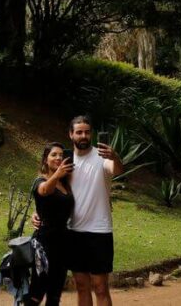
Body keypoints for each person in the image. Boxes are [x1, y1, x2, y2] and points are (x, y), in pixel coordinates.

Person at [47, 116, 122, 306]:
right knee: (81, 285)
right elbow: (50, 192)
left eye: (87, 132)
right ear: (71, 134)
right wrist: (38, 214)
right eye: (79, 132)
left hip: (99, 230)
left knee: (100, 287)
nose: (83, 136)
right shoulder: (65, 163)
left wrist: (115, 156)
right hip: (74, 232)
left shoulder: (102, 157)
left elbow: (118, 170)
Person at [32, 142, 75, 306]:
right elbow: (44, 191)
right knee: (37, 290)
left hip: (63, 242)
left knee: (55, 293)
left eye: (61, 155)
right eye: (54, 155)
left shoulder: (65, 184)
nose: (58, 158)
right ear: (45, 160)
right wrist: (56, 174)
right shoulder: (40, 180)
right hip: (44, 243)